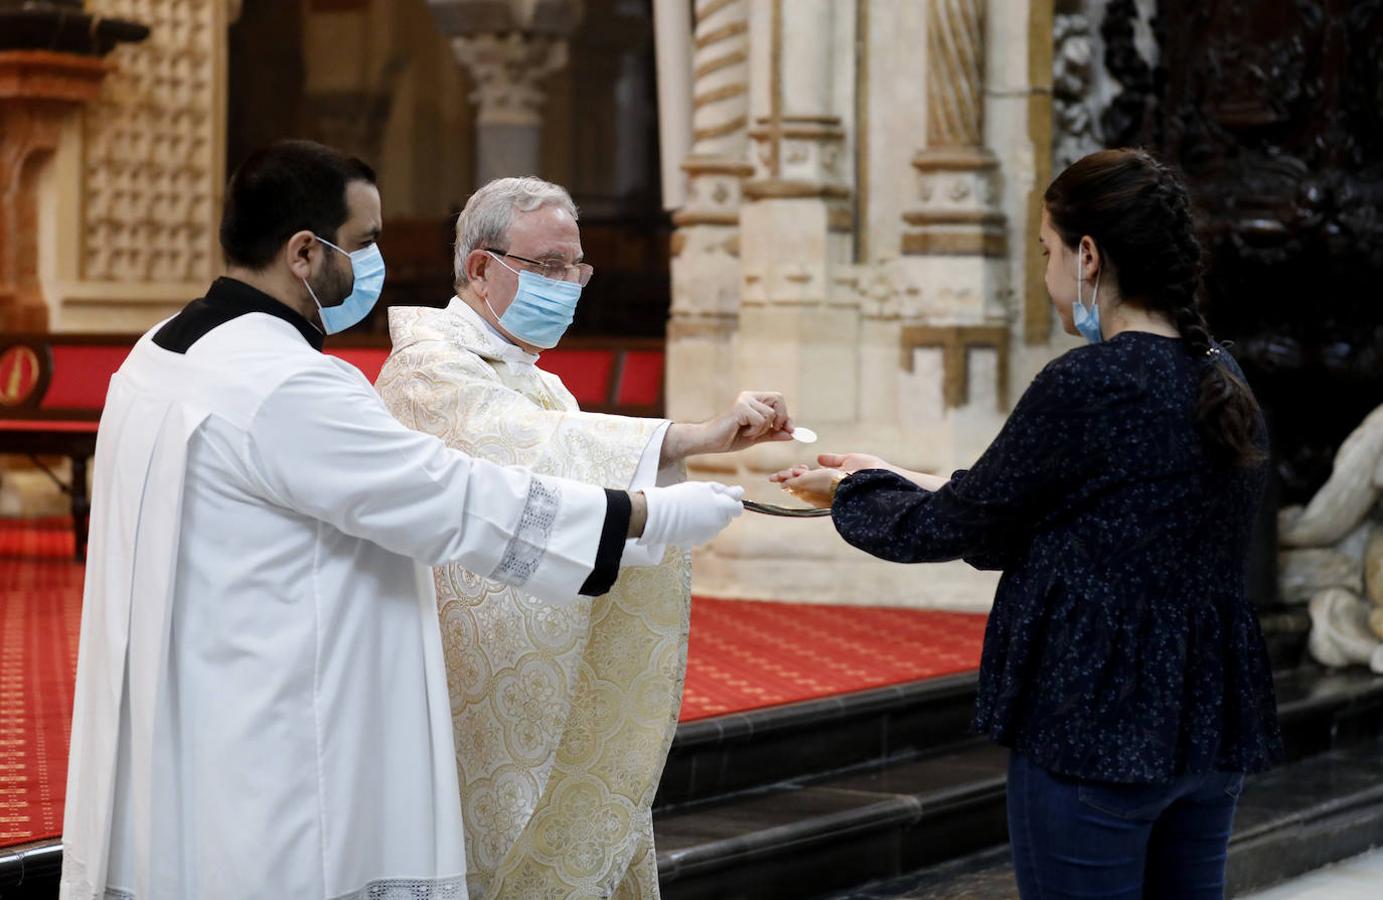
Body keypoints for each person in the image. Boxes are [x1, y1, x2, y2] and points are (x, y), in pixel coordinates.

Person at [60, 141, 746, 900]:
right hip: (284, 728)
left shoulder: (161, 351)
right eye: (363, 242)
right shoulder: (293, 385)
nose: (378, 261)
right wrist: (644, 514)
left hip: (192, 696)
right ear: (302, 253)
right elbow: (451, 502)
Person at [773, 149, 1283, 899]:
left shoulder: (1089, 380)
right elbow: (1056, 507)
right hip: (1202, 715)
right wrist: (881, 474)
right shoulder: (1220, 377)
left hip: (1096, 715)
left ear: (1086, 255)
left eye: (1044, 251)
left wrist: (849, 496)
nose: (1044, 275)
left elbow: (952, 528)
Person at [376, 175, 795, 898]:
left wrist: (699, 446)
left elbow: (563, 448)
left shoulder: (534, 377)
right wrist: (694, 436)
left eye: (576, 266)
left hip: (544, 667)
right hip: (472, 680)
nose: (568, 283)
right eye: (546, 266)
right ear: (480, 268)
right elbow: (534, 452)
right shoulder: (428, 368)